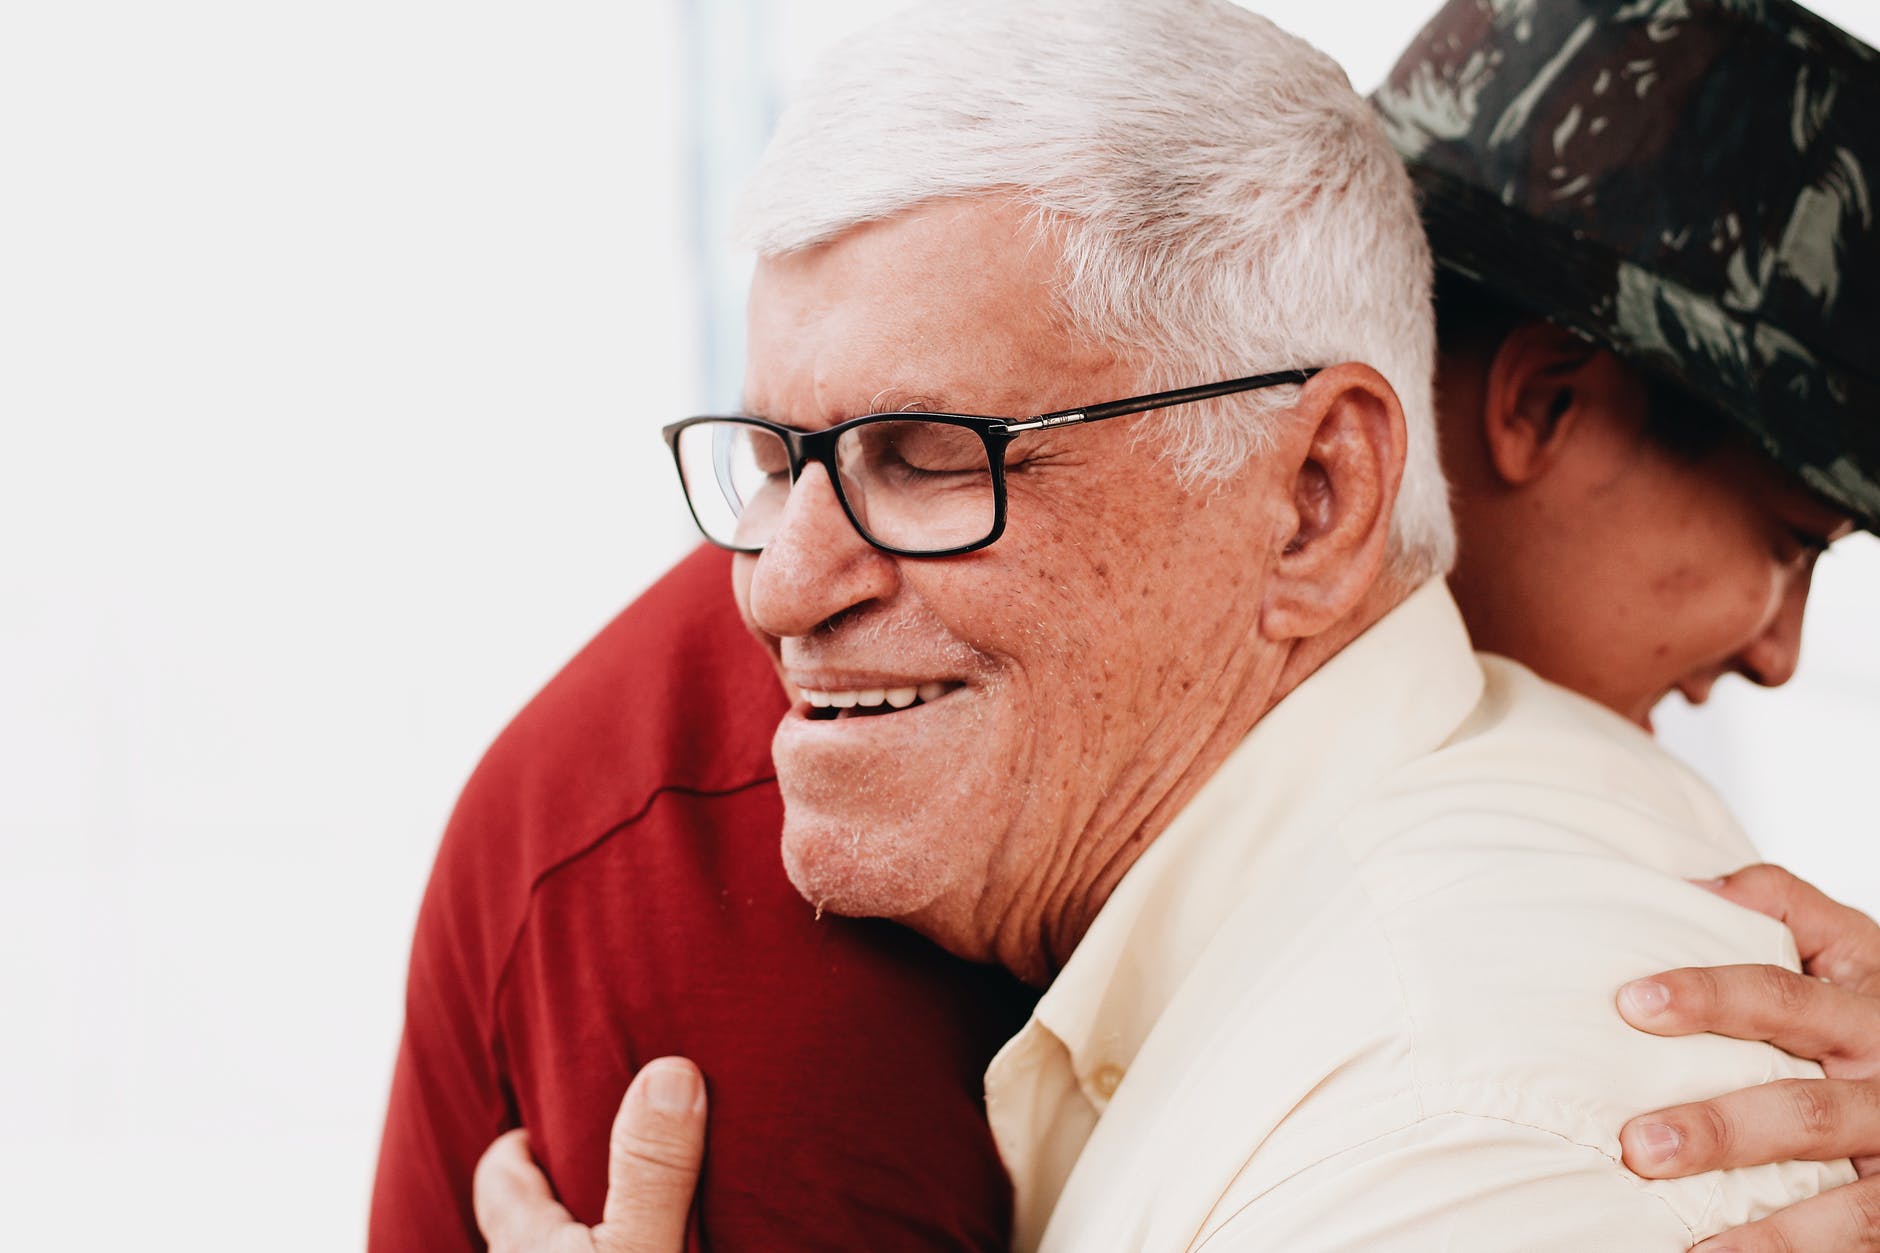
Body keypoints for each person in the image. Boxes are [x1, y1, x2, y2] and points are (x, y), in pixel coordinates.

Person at [375, 0, 1880, 1250]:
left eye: (927, 449)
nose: (777, 583)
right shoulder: (780, 859)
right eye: (1787, 541)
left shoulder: (1490, 1066)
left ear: (1313, 494)